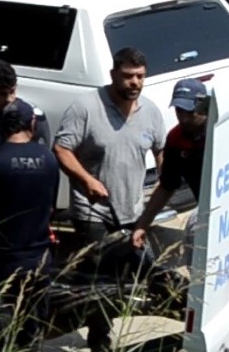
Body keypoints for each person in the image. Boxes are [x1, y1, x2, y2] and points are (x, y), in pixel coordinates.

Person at [52, 47, 166, 352]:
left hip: (132, 211)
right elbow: (62, 149)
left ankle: (99, 323)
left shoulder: (152, 112)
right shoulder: (87, 108)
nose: (134, 83)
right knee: (101, 279)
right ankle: (99, 338)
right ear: (114, 74)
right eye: (128, 76)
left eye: (140, 77)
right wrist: (87, 180)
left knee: (131, 274)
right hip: (93, 211)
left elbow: (160, 150)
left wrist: (164, 185)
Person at [0, 101, 59, 351]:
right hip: (41, 257)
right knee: (32, 330)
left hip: (3, 261)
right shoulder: (48, 158)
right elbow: (51, 207)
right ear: (33, 124)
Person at [131, 79, 209, 260]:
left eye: (189, 112)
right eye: (179, 111)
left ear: (204, 106)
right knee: (195, 235)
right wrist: (143, 224)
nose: (184, 118)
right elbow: (167, 186)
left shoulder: (221, 130)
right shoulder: (176, 139)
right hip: (205, 206)